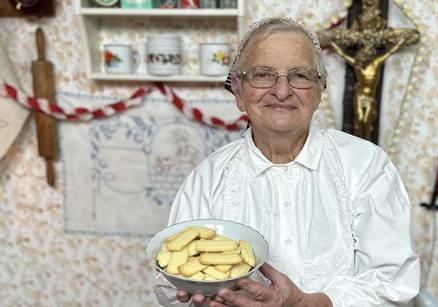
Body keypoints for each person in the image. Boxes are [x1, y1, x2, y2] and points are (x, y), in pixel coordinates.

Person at [153, 17, 420, 307]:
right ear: (239, 92)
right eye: (263, 74)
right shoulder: (207, 177)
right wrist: (196, 298)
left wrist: (308, 304)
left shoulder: (366, 165)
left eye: (300, 75)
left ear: (319, 91)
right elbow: (169, 284)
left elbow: (394, 283)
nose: (282, 91)